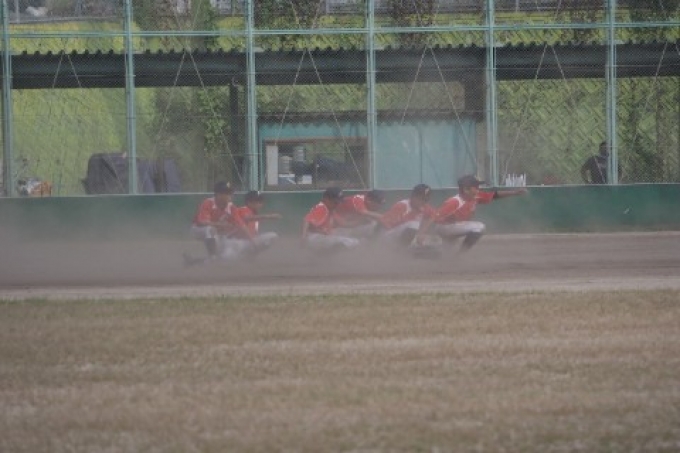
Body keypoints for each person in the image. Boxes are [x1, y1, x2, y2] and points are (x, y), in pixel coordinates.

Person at [417, 174, 526, 252]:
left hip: (453, 228)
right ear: (466, 189)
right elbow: (434, 215)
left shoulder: (475, 196)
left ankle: (418, 253)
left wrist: (515, 192)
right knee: (479, 227)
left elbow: (494, 195)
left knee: (444, 253)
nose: (478, 189)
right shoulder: (455, 202)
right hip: (445, 227)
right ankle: (460, 255)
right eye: (476, 187)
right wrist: (422, 233)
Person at [185, 181, 254, 265]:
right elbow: (203, 222)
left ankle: (194, 261)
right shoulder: (208, 203)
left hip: (215, 233)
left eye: (230, 193)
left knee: (225, 256)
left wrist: (252, 240)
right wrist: (221, 225)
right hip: (198, 229)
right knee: (210, 229)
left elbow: (241, 225)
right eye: (227, 193)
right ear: (218, 194)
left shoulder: (231, 207)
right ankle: (212, 256)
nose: (230, 195)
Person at [301, 187, 360, 251]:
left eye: (339, 202)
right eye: (336, 202)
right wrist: (303, 238)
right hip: (315, 238)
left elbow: (343, 223)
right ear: (326, 199)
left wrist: (358, 223)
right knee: (347, 242)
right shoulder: (322, 207)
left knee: (354, 240)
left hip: (322, 236)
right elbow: (306, 220)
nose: (338, 204)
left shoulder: (330, 209)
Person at [378, 183, 437, 248]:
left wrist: (421, 233)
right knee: (414, 224)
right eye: (421, 199)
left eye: (426, 200)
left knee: (433, 240)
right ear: (413, 196)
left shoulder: (424, 207)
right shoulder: (402, 205)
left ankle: (406, 247)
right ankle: (401, 250)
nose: (424, 202)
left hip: (402, 238)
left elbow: (433, 215)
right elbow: (383, 223)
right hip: (388, 237)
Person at [229, 190, 282, 256]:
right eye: (257, 202)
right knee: (229, 257)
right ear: (249, 202)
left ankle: (252, 253)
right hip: (238, 242)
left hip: (250, 241)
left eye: (261, 202)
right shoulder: (243, 209)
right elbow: (247, 218)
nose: (260, 204)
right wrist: (268, 216)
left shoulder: (254, 213)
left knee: (273, 236)